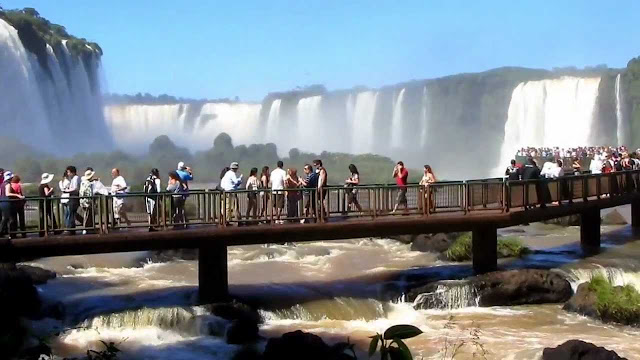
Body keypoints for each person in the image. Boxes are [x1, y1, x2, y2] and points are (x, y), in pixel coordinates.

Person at [0, 171, 23, 239]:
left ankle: (4, 232)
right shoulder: (8, 184)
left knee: (5, 218)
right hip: (7, 202)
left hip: (2, 202)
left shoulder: (2, 184)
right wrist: (17, 195)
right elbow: (7, 193)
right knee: (10, 219)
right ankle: (11, 234)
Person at [62, 166, 82, 235]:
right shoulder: (73, 179)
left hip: (74, 197)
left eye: (68, 172)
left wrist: (67, 191)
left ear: (72, 172)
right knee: (71, 214)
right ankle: (71, 229)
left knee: (71, 214)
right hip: (72, 197)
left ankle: (70, 229)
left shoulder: (76, 178)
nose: (68, 174)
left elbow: (76, 188)